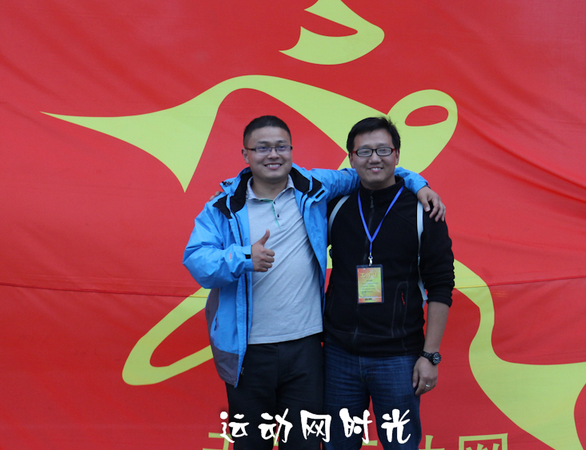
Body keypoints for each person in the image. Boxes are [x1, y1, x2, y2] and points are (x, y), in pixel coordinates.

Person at [182, 115, 444, 450]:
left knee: (305, 444)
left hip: (307, 348)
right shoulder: (223, 207)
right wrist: (243, 258)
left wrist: (419, 184)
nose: (273, 154)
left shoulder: (315, 188)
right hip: (248, 352)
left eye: (281, 146)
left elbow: (372, 169)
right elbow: (197, 260)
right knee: (251, 444)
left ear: (292, 151)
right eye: (262, 148)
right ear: (245, 154)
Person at [323, 117, 455, 450]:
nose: (374, 158)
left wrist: (430, 355)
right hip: (339, 355)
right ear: (351, 158)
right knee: (338, 445)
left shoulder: (424, 210)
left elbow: (441, 285)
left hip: (398, 357)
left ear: (397, 154)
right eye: (364, 151)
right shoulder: (335, 206)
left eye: (383, 150)